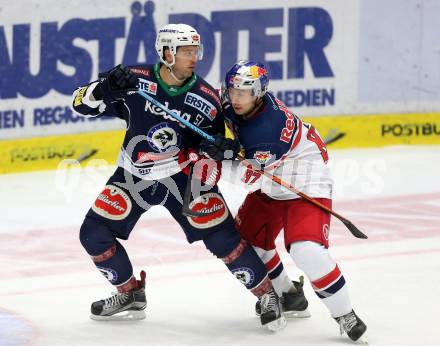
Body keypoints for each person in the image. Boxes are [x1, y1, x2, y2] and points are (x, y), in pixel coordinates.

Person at [71, 25, 286, 331]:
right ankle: (129, 293)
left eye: (195, 51)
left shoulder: (207, 98)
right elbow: (80, 104)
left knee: (222, 237)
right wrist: (102, 88)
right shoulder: (132, 79)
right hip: (134, 175)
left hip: (183, 177)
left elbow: (213, 151)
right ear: (167, 52)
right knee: (93, 234)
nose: (194, 58)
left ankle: (268, 294)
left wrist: (217, 150)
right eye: (186, 51)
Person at [200, 60, 367, 342]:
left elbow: (246, 179)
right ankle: (290, 296)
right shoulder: (231, 101)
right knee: (249, 246)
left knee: (306, 251)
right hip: (272, 178)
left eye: (244, 93)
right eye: (233, 90)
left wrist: (221, 156)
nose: (236, 98)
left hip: (304, 182)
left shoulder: (267, 131)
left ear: (260, 93)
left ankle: (345, 314)